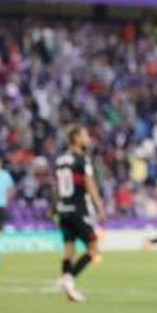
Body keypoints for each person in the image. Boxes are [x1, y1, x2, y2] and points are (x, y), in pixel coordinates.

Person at [52, 125, 106, 303]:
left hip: (63, 209)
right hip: (79, 209)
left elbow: (57, 187)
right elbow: (89, 185)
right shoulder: (82, 160)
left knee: (69, 249)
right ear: (75, 139)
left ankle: (68, 287)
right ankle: (68, 279)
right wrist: (99, 206)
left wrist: (56, 208)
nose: (88, 138)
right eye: (85, 135)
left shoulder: (60, 161)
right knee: (94, 249)